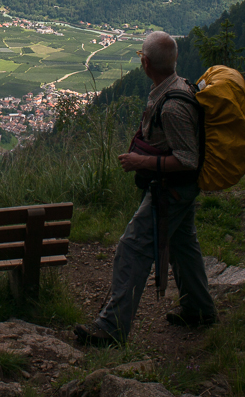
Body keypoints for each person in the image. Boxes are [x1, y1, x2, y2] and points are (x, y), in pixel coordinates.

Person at [75, 31, 217, 346]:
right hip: (179, 190)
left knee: (132, 248)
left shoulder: (171, 106)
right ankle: (199, 309)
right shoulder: (176, 88)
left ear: (146, 62)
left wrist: (142, 162)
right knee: (182, 246)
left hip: (171, 190)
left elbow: (188, 160)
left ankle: (111, 328)